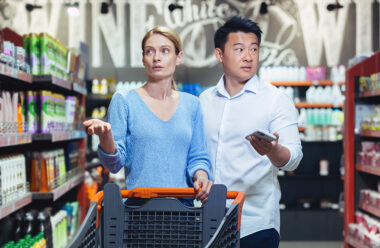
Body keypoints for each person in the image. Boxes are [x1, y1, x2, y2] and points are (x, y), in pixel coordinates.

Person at [199, 16, 303, 247]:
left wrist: (273, 151)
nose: (248, 56)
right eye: (239, 49)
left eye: (254, 49)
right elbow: (197, 154)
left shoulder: (276, 100)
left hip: (255, 224)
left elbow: (293, 159)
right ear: (219, 54)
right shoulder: (204, 101)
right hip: (208, 220)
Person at [84, 26, 213, 203]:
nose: (156, 58)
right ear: (143, 59)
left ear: (179, 57)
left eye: (165, 51)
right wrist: (106, 138)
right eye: (149, 51)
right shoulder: (124, 100)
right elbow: (114, 166)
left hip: (183, 212)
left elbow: (198, 156)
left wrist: (201, 175)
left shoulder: (192, 104)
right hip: (140, 213)